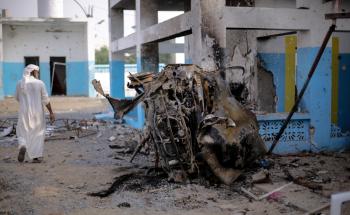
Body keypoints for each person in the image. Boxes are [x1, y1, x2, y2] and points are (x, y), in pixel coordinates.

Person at [15, 64, 55, 163]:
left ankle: (23, 145)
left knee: (22, 131)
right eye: (37, 72)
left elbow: (17, 98)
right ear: (34, 72)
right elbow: (46, 100)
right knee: (38, 133)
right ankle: (36, 157)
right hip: (37, 114)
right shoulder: (40, 83)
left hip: (24, 113)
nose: (38, 74)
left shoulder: (20, 83)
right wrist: (51, 112)